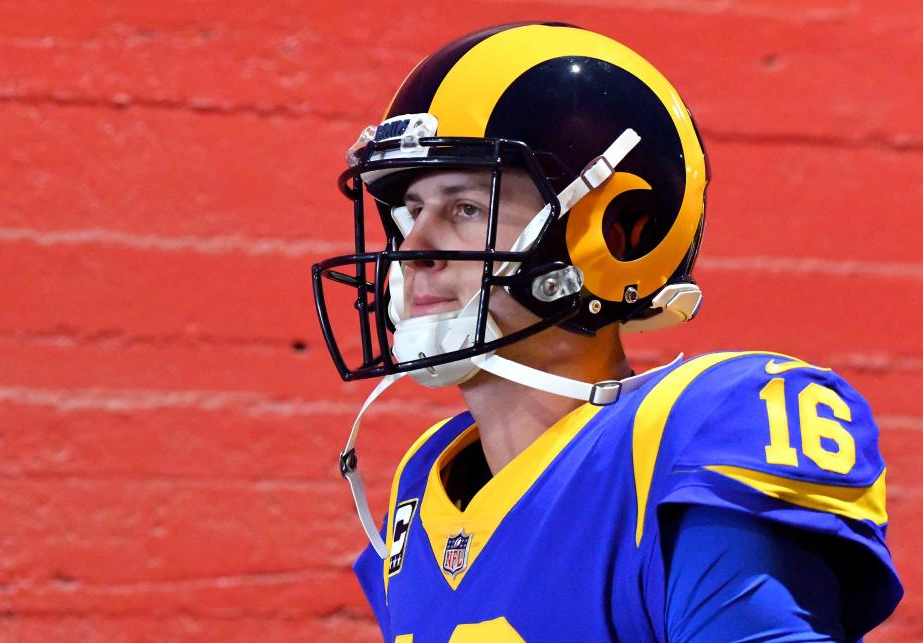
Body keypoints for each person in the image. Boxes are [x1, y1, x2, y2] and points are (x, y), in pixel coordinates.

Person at [311, 22, 903, 641]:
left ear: (617, 233)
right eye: (410, 212)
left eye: (466, 209)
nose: (414, 247)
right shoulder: (425, 476)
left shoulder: (696, 430)